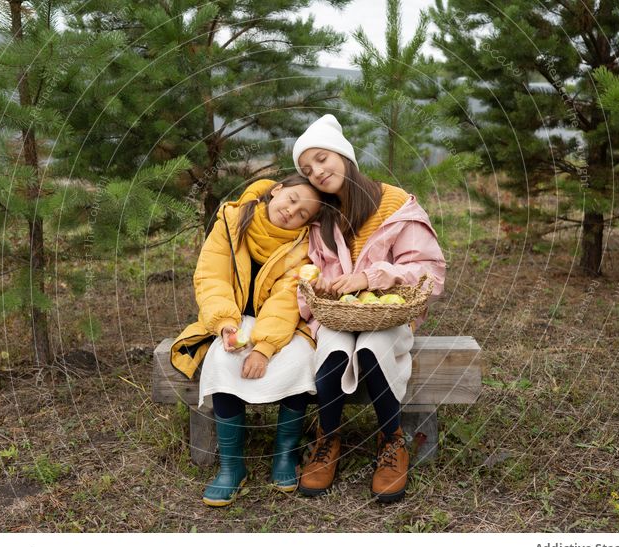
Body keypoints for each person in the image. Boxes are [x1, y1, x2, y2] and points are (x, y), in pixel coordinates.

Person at [292, 114, 446, 502]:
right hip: (340, 316)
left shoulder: (395, 205)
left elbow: (430, 272)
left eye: (322, 158)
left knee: (372, 348)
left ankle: (392, 440)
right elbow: (314, 273)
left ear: (344, 156)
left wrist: (372, 278)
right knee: (333, 348)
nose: (317, 172)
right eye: (308, 169)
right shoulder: (322, 218)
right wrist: (323, 285)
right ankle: (328, 439)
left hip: (389, 315)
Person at [170, 175, 335, 507]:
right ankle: (232, 467)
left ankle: (284, 455)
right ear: (276, 190)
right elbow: (211, 277)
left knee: (299, 360)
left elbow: (288, 299)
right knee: (222, 359)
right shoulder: (232, 222)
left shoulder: (304, 245)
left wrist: (264, 347)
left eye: (303, 213)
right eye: (291, 199)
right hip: (232, 317)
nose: (292, 212)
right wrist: (226, 325)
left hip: (284, 324)